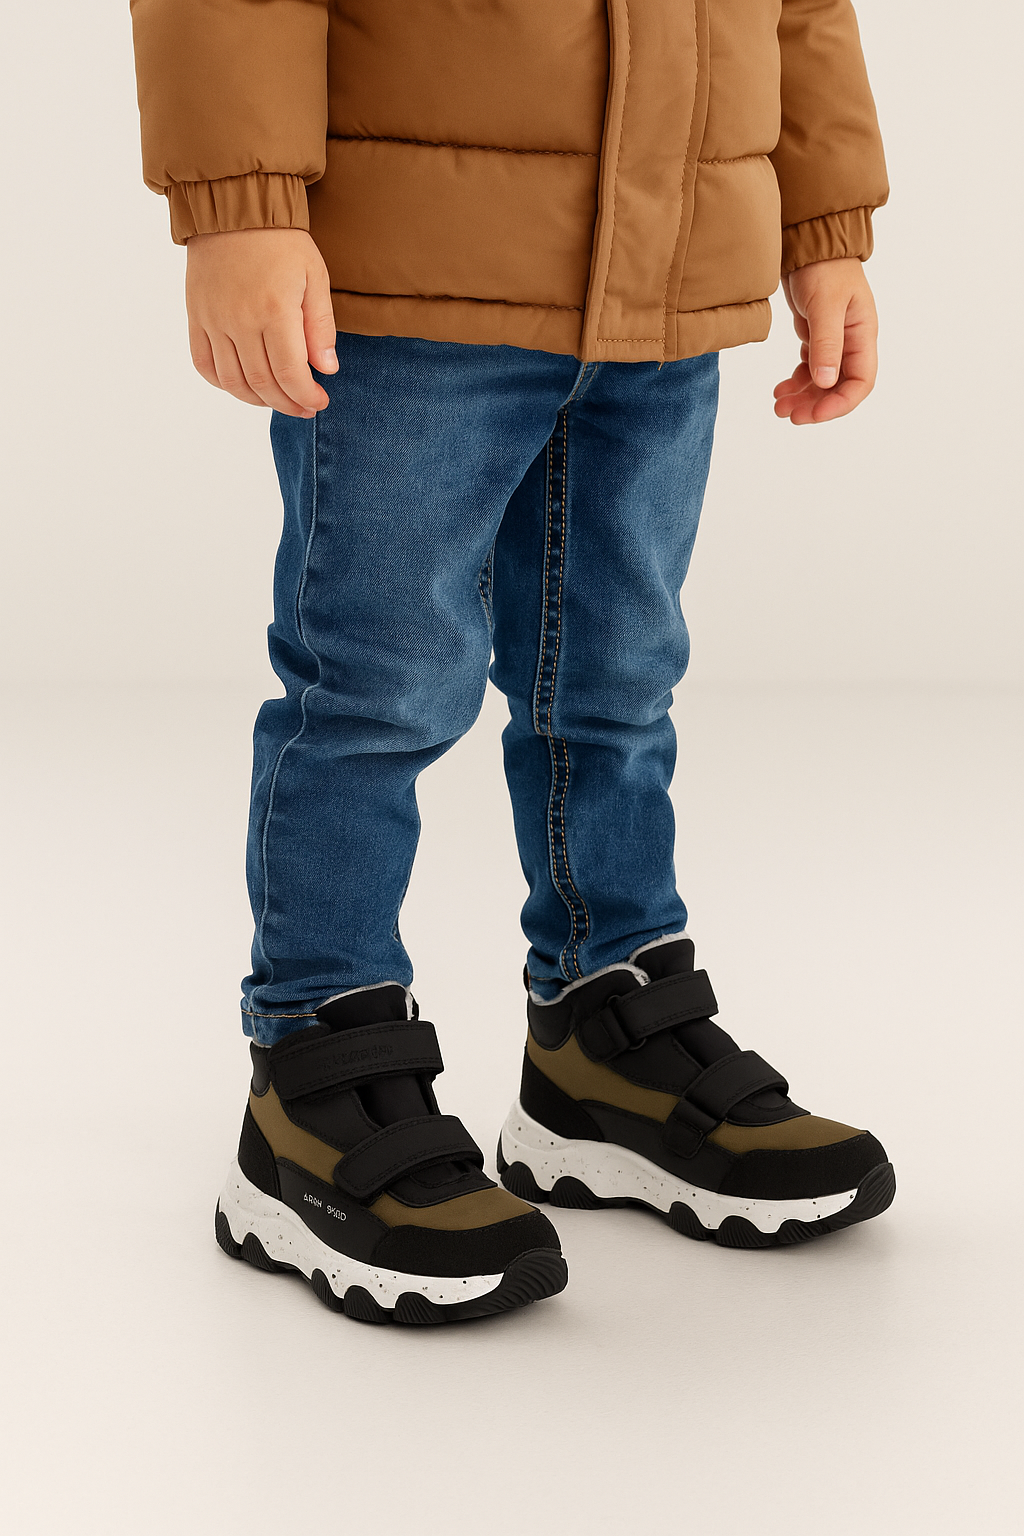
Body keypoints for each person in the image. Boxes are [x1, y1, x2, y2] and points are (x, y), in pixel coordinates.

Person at [131, 0, 895, 1325]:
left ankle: (607, 1030)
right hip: (413, 272)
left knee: (616, 681)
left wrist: (824, 226)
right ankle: (315, 1070)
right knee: (374, 690)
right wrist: (239, 208)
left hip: (671, 274)